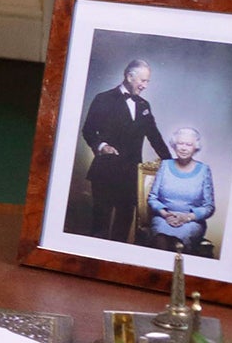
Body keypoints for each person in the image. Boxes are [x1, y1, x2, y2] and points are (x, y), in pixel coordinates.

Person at [80, 58, 171, 241]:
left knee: (124, 224)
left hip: (131, 175)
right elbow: (88, 130)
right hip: (105, 172)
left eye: (147, 81)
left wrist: (171, 163)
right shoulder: (103, 99)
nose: (145, 86)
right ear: (130, 76)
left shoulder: (144, 106)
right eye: (143, 81)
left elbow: (155, 136)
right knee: (100, 224)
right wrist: (102, 146)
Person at [145, 125, 216, 253]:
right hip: (163, 218)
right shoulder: (165, 165)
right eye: (180, 143)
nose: (183, 148)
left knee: (179, 243)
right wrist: (166, 214)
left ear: (196, 147)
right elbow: (152, 198)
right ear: (174, 145)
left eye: (188, 144)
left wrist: (187, 217)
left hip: (191, 222)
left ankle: (179, 272)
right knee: (161, 240)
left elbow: (209, 207)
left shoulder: (204, 170)